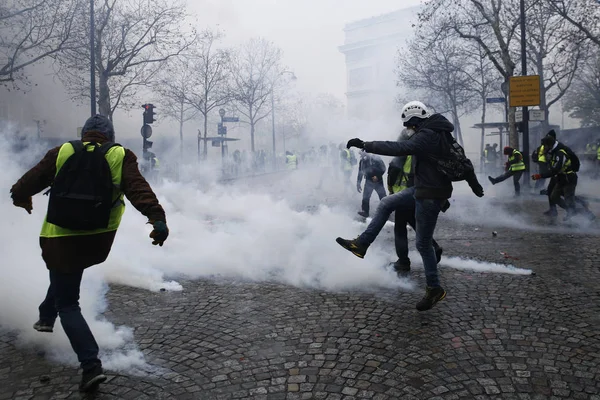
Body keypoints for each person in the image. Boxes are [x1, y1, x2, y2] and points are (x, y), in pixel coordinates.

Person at [10, 114, 169, 392]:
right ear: (110, 135)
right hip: (96, 240)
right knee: (66, 273)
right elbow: (138, 190)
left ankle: (90, 365)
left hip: (59, 238)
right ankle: (46, 317)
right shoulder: (121, 155)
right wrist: (157, 219)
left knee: (68, 302)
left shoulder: (63, 151)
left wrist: (20, 198)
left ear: (84, 133)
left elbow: (26, 184)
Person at [337, 101, 484, 311]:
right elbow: (466, 163)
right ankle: (362, 244)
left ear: (414, 120)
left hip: (430, 194)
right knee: (387, 202)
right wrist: (475, 185)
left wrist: (366, 144)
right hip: (423, 189)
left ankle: (434, 288)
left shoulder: (428, 135)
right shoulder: (439, 133)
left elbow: (400, 148)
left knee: (423, 244)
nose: (409, 130)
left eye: (409, 126)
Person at [387, 129, 443, 276]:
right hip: (419, 193)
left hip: (404, 193)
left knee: (400, 227)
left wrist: (391, 190)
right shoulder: (422, 149)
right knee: (414, 222)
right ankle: (434, 247)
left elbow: (394, 169)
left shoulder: (405, 150)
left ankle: (403, 262)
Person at [533, 134, 578, 220]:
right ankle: (571, 210)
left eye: (545, 146)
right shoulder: (552, 151)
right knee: (554, 196)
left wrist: (540, 175)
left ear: (549, 145)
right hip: (560, 178)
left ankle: (585, 215)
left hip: (568, 178)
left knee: (569, 198)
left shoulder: (559, 153)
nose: (544, 148)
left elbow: (556, 169)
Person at [356, 150, 386, 218]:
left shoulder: (376, 158)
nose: (361, 155)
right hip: (368, 180)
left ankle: (386, 210)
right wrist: (358, 183)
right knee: (365, 197)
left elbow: (383, 168)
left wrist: (377, 176)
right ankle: (365, 211)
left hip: (378, 181)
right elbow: (360, 172)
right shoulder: (362, 161)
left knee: (382, 196)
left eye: (362, 153)